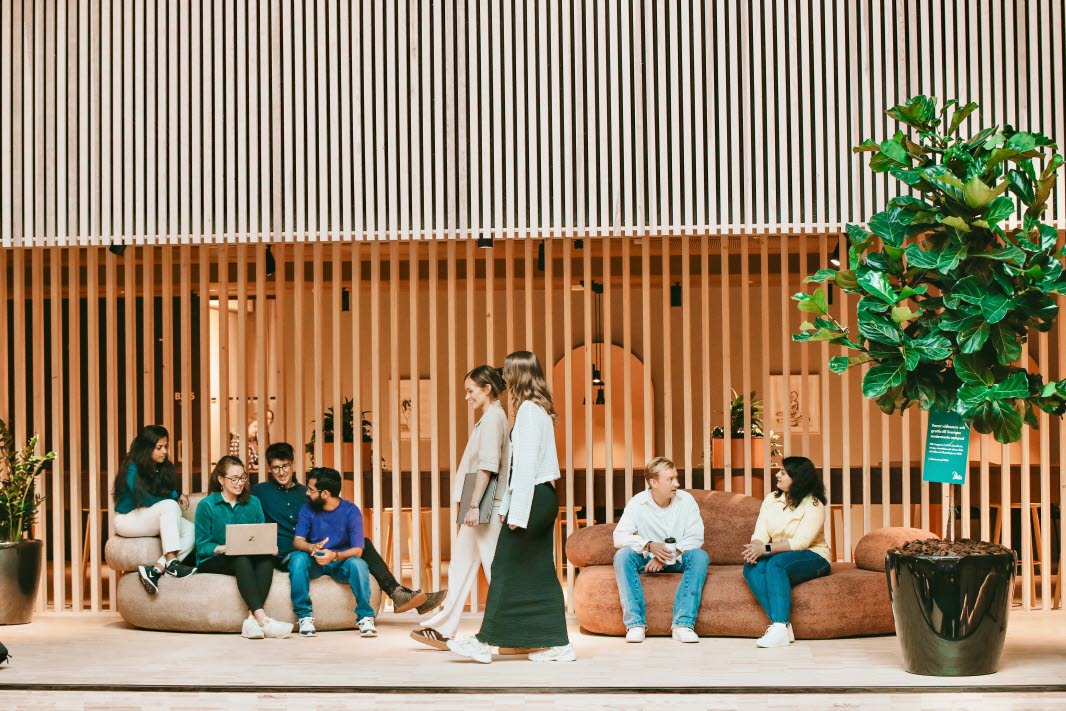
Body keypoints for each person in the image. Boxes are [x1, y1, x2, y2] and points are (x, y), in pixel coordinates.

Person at [447, 351, 575, 663]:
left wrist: (515, 513)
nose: (503, 378)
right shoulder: (538, 409)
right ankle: (557, 643)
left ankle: (485, 640)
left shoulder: (530, 412)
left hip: (532, 498)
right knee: (538, 573)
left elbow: (526, 468)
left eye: (507, 372)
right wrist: (511, 506)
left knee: (504, 568)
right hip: (539, 497)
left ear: (518, 375)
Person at [252, 441, 445, 616]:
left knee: (363, 544)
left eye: (285, 466)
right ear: (270, 468)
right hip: (289, 554)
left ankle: (397, 593)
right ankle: (396, 592)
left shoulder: (307, 492)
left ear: (293, 464)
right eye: (276, 468)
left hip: (317, 549)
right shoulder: (259, 492)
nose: (281, 472)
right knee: (355, 547)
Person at [411, 365, 509, 650]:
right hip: (477, 501)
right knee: (461, 566)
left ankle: (508, 627)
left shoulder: (493, 419)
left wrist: (475, 505)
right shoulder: (491, 418)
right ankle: (444, 628)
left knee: (494, 567)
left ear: (487, 388)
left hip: (484, 503)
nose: (467, 397)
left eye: (470, 391)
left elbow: (488, 466)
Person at [194, 456, 293, 639]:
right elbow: (201, 546)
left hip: (246, 556)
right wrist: (222, 548)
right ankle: (263, 620)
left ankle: (251, 621)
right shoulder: (206, 505)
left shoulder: (253, 502)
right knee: (240, 557)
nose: (240, 483)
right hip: (213, 559)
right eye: (234, 479)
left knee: (266, 558)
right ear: (221, 479)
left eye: (243, 477)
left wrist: (270, 546)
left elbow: (261, 533)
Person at [612, 457, 708, 643]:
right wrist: (649, 545)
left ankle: (683, 624)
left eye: (676, 478)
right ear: (653, 482)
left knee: (700, 556)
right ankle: (635, 624)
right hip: (647, 560)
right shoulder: (637, 503)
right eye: (670, 479)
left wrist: (665, 556)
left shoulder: (686, 501)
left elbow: (696, 537)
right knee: (622, 555)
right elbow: (619, 537)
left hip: (678, 558)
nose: (677, 484)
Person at [741, 455, 832, 648]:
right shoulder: (771, 500)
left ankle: (780, 625)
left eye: (783, 472)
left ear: (797, 478)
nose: (777, 474)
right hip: (780, 554)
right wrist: (755, 547)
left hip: (814, 556)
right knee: (751, 568)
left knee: (776, 564)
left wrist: (764, 549)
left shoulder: (814, 504)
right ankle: (782, 627)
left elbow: (801, 542)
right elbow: (761, 531)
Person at [288, 467, 377, 638]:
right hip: (314, 561)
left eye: (311, 490)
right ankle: (304, 616)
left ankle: (365, 616)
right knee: (297, 558)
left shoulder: (351, 511)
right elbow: (298, 540)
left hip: (340, 564)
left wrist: (334, 556)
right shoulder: (308, 509)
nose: (307, 493)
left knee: (359, 564)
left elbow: (358, 550)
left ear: (325, 493)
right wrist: (311, 547)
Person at [112, 425, 197, 594]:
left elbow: (162, 492)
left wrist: (175, 494)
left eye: (166, 446)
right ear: (146, 448)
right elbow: (147, 499)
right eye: (159, 448)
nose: (164, 451)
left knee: (191, 530)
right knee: (170, 505)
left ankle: (156, 569)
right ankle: (172, 563)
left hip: (147, 517)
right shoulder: (132, 467)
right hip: (127, 520)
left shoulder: (160, 467)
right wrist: (174, 497)